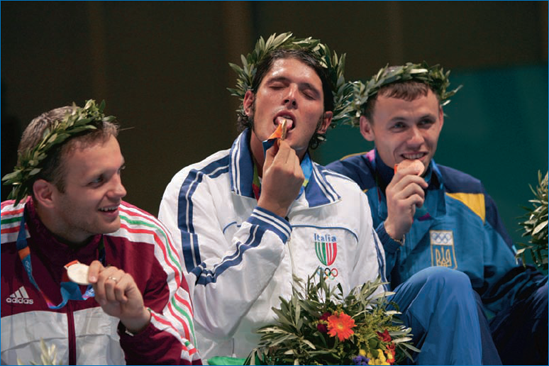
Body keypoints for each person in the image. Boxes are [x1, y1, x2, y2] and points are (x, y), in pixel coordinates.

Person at [159, 33, 486, 364]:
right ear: (249, 103)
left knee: (445, 285)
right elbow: (207, 315)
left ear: (323, 123)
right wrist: (271, 211)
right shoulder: (195, 188)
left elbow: (371, 316)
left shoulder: (346, 198)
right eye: (277, 86)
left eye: (308, 93)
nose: (290, 97)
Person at [327, 62, 548, 365]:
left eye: (426, 122)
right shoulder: (340, 188)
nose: (416, 139)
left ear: (442, 120)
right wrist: (390, 232)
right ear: (367, 128)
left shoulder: (468, 193)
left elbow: (512, 289)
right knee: (450, 285)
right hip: (377, 349)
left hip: (466, 346)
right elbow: (334, 292)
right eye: (399, 125)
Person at [1, 100, 202, 365]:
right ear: (46, 193)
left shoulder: (145, 240)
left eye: (119, 172)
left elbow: (188, 361)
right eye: (98, 180)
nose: (120, 191)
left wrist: (140, 323)